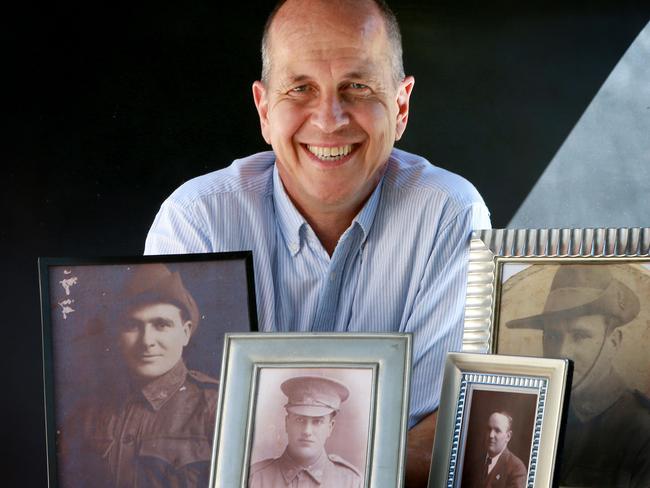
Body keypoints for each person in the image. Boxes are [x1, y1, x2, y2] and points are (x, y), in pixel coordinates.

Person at [145, 0, 491, 483]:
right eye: (300, 88)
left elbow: (439, 425)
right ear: (265, 110)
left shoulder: (450, 216)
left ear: (401, 104)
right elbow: (175, 430)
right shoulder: (196, 220)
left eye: (357, 87)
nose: (329, 119)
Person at [59, 264, 219, 488]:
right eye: (132, 326)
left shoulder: (217, 406)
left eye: (161, 325)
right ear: (117, 336)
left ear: (185, 332)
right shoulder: (87, 413)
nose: (146, 341)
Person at [506, 264, 650, 488]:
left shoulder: (641, 430)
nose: (562, 351)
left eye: (580, 336)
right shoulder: (527, 414)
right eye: (553, 336)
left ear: (613, 342)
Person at [249, 375, 361, 487]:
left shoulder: (351, 482)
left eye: (317, 422)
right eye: (300, 419)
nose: (307, 431)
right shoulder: (255, 478)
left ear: (330, 427)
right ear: (287, 423)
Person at [463, 411, 527, 488]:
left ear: (508, 436)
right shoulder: (475, 465)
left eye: (497, 431)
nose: (491, 435)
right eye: (489, 429)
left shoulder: (517, 469)